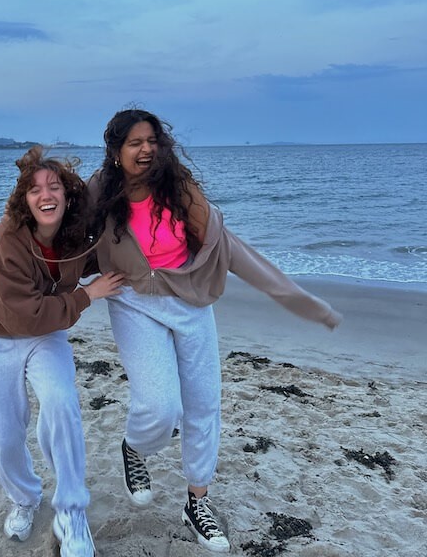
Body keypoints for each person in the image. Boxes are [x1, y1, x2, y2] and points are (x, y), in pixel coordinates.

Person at [89, 109, 342, 553]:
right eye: (134, 142)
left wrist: (301, 301)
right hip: (133, 302)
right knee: (161, 406)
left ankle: (197, 501)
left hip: (191, 301)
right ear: (115, 152)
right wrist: (40, 290)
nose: (146, 149)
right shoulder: (99, 191)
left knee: (204, 404)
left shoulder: (180, 189)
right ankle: (134, 447)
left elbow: (231, 248)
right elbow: (59, 237)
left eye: (152, 140)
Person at [0, 146, 123, 557]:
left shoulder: (73, 234)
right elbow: (22, 319)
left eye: (54, 187)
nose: (45, 194)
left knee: (62, 402)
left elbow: (99, 253)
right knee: (2, 438)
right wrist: (87, 296)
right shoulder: (6, 241)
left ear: (67, 195)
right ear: (24, 201)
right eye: (34, 189)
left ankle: (71, 511)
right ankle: (25, 497)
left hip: (44, 330)